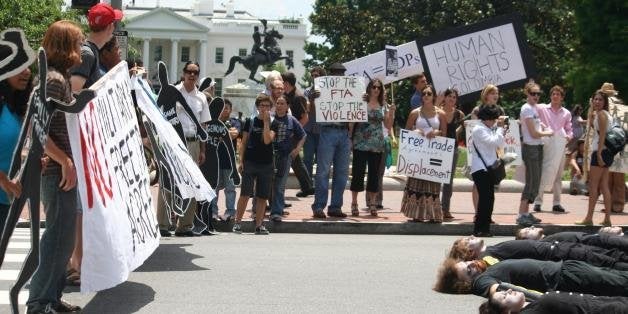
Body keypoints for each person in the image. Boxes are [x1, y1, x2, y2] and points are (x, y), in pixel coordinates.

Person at [26, 20, 85, 314]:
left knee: (63, 239)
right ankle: (39, 303)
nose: (82, 49)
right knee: (58, 238)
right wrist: (63, 160)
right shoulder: (53, 80)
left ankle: (50, 298)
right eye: (78, 42)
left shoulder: (57, 78)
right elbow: (37, 127)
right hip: (57, 171)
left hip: (61, 169)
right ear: (66, 46)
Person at [67, 2, 122, 287]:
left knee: (82, 205)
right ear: (110, 27)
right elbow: (75, 92)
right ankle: (75, 263)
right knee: (79, 206)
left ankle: (77, 261)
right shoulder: (87, 54)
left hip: (85, 142)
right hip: (79, 143)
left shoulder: (90, 53)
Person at [157, 61, 210, 237]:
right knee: (168, 181)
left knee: (192, 182)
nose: (192, 75)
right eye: (189, 71)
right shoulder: (172, 91)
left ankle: (185, 226)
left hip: (193, 142)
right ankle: (163, 224)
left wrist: (202, 150)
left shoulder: (201, 97)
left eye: (196, 72)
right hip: (173, 142)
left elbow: (203, 124)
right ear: (183, 73)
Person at [434, 257, 628, 297]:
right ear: (464, 285)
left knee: (620, 277)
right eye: (468, 271)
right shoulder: (480, 282)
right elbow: (498, 291)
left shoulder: (486, 269)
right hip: (566, 278)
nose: (472, 265)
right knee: (620, 283)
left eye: (467, 263)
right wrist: (541, 300)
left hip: (567, 268)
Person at [0, 28, 34, 231]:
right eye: (19, 67)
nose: (27, 71)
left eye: (28, 66)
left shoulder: (14, 108)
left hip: (6, 202)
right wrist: (5, 181)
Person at [232, 94, 278, 234]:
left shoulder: (274, 122)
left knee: (262, 196)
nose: (264, 108)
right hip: (250, 162)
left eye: (267, 106)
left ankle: (259, 225)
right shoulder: (249, 121)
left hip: (266, 163)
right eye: (262, 106)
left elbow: (267, 140)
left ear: (270, 108)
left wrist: (266, 122)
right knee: (245, 193)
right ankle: (237, 223)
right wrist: (241, 161)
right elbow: (244, 142)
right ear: (257, 107)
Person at [311, 62, 351, 219]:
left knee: (342, 172)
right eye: (335, 73)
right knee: (323, 171)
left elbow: (357, 111)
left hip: (344, 132)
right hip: (327, 131)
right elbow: (314, 112)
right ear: (330, 74)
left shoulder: (350, 90)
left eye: (341, 73)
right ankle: (319, 206)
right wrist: (314, 100)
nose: (338, 76)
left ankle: (335, 206)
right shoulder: (322, 90)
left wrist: (362, 100)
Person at [401, 84, 446, 223]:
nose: (426, 96)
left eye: (429, 94)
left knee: (432, 182)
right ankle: (416, 213)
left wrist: (437, 132)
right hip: (418, 152)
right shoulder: (415, 113)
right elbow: (406, 132)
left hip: (433, 152)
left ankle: (433, 214)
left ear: (433, 96)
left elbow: (445, 133)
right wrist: (418, 132)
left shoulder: (441, 114)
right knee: (417, 181)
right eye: (424, 94)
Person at [349, 78, 395, 217]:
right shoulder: (362, 102)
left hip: (377, 144)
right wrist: (350, 137)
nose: (376, 89)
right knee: (358, 173)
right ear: (369, 88)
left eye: (378, 88)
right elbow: (352, 121)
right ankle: (354, 202)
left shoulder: (384, 105)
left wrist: (391, 112)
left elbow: (387, 125)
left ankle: (373, 203)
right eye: (374, 87)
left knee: (374, 175)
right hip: (360, 142)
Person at [447, 235, 628, 269]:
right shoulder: (488, 258)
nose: (471, 236)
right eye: (468, 241)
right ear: (469, 253)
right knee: (608, 261)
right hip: (559, 255)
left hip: (560, 248)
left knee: (609, 254)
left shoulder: (492, 250)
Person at [517, 82, 553, 226]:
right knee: (531, 181)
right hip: (530, 148)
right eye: (533, 93)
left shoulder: (534, 108)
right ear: (527, 93)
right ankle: (521, 214)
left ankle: (526, 212)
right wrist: (547, 132)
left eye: (538, 93)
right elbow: (533, 133)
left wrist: (543, 127)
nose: (536, 96)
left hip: (537, 147)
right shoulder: (526, 108)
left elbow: (537, 126)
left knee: (536, 181)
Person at [533, 85, 572, 213]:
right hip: (546, 143)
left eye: (558, 94)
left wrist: (568, 136)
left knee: (558, 174)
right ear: (550, 96)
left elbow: (569, 129)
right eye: (553, 94)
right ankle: (538, 202)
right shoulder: (542, 108)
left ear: (562, 97)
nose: (555, 96)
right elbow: (531, 110)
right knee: (543, 171)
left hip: (560, 146)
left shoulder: (566, 113)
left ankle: (556, 203)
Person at [468, 84, 506, 217]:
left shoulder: (500, 110)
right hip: (479, 153)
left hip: (493, 152)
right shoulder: (477, 110)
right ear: (485, 95)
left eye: (497, 93)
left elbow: (502, 131)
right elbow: (472, 130)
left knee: (490, 186)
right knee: (478, 184)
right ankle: (477, 212)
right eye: (492, 93)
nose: (495, 96)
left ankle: (486, 214)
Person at [577, 90, 613, 226]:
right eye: (595, 99)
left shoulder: (602, 115)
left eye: (600, 100)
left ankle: (589, 218)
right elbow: (598, 131)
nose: (597, 102)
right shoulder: (601, 114)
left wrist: (598, 154)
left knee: (593, 186)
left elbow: (602, 135)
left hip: (600, 152)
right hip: (606, 152)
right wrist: (591, 119)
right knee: (604, 185)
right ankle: (607, 219)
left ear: (605, 102)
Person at [270, 95, 305, 222]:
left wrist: (297, 149)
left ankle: (276, 212)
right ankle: (263, 209)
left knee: (279, 185)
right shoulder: (270, 119)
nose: (279, 106)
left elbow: (303, 135)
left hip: (285, 157)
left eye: (282, 103)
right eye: (277, 103)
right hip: (270, 157)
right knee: (268, 184)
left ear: (287, 106)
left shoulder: (292, 120)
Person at [281, 71, 315, 198]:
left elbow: (305, 118)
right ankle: (308, 187)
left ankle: (308, 187)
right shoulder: (286, 95)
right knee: (296, 161)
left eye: (282, 81)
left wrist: (294, 131)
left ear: (287, 83)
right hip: (288, 134)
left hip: (293, 135)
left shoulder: (297, 96)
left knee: (295, 161)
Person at [479, 289, 628, 314]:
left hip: (610, 302)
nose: (509, 291)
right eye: (505, 296)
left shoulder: (529, 305)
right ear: (507, 312)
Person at [209, 99, 238, 222]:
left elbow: (234, 133)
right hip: (214, 161)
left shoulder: (234, 122)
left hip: (228, 162)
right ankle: (213, 212)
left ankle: (230, 212)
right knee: (213, 189)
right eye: (222, 107)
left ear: (230, 110)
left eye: (226, 108)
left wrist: (222, 133)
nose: (223, 110)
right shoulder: (211, 122)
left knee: (230, 188)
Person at [601, 82, 626, 214]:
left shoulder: (620, 107)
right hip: (608, 142)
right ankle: (610, 203)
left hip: (617, 142)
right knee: (609, 175)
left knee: (617, 175)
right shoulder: (601, 105)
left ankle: (617, 204)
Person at [440, 88, 464, 221]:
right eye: (449, 96)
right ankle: (434, 207)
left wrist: (459, 130)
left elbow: (462, 128)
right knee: (436, 178)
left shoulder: (459, 114)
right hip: (438, 149)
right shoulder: (438, 111)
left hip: (453, 149)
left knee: (448, 181)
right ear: (445, 97)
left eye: (454, 97)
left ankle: (446, 209)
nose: (452, 99)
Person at [515, 226, 628, 254]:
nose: (532, 227)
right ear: (527, 241)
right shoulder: (548, 245)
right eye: (527, 231)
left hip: (598, 240)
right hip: (599, 244)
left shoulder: (549, 239)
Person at [302, 66, 325, 184]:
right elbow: (307, 110)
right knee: (308, 158)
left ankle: (319, 184)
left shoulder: (327, 91)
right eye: (313, 75)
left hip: (323, 131)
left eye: (317, 75)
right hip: (309, 130)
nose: (315, 78)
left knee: (321, 159)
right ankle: (307, 184)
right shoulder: (307, 91)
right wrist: (311, 99)